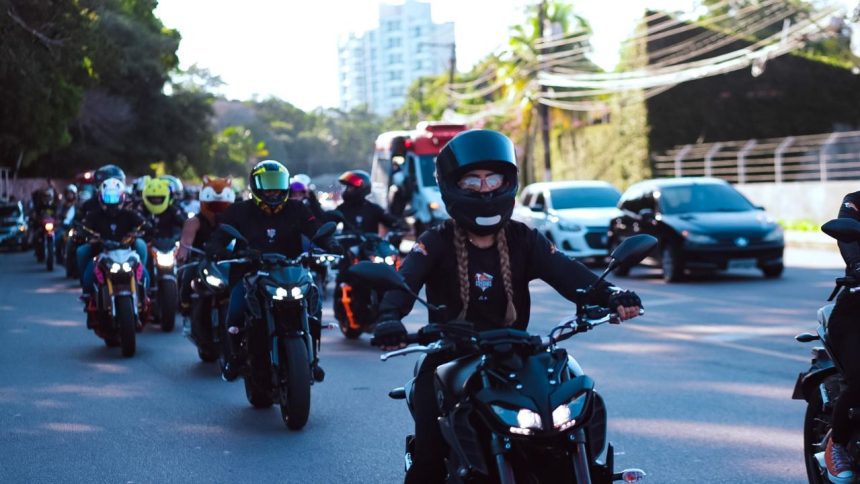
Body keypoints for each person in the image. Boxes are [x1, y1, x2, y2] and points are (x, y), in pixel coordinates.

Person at [372, 130, 643, 484]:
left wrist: (612, 296)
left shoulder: (523, 238)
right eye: (473, 179)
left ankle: (591, 472)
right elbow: (405, 283)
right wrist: (389, 318)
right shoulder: (435, 241)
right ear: (454, 185)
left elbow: (570, 274)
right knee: (428, 453)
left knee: (573, 391)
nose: (485, 188)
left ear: (507, 181)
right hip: (448, 353)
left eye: (492, 177)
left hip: (518, 351)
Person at [207, 160, 334, 382]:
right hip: (250, 273)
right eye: (268, 185)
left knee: (315, 304)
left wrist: (331, 245)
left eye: (277, 184)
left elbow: (316, 232)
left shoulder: (298, 208)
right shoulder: (238, 211)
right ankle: (234, 357)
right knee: (236, 310)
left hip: (291, 271)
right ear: (255, 186)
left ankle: (312, 360)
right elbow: (219, 238)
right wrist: (219, 251)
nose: (273, 190)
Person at [824, 192, 860, 482]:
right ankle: (837, 444)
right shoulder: (855, 201)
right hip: (854, 312)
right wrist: (859, 266)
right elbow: (846, 236)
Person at [78, 178, 148, 299]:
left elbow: (145, 225)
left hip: (127, 252)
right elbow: (83, 228)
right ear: (101, 197)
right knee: (82, 253)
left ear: (122, 197)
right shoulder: (94, 214)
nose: (112, 202)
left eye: (115, 197)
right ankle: (87, 292)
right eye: (108, 198)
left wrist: (136, 233)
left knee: (143, 266)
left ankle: (146, 293)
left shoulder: (129, 213)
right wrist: (90, 237)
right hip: (102, 252)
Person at [177, 175, 235, 314]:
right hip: (201, 260)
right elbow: (186, 240)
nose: (217, 210)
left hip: (226, 261)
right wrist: (183, 253)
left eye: (221, 206)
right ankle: (185, 305)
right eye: (213, 206)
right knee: (187, 273)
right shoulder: (194, 221)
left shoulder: (234, 221)